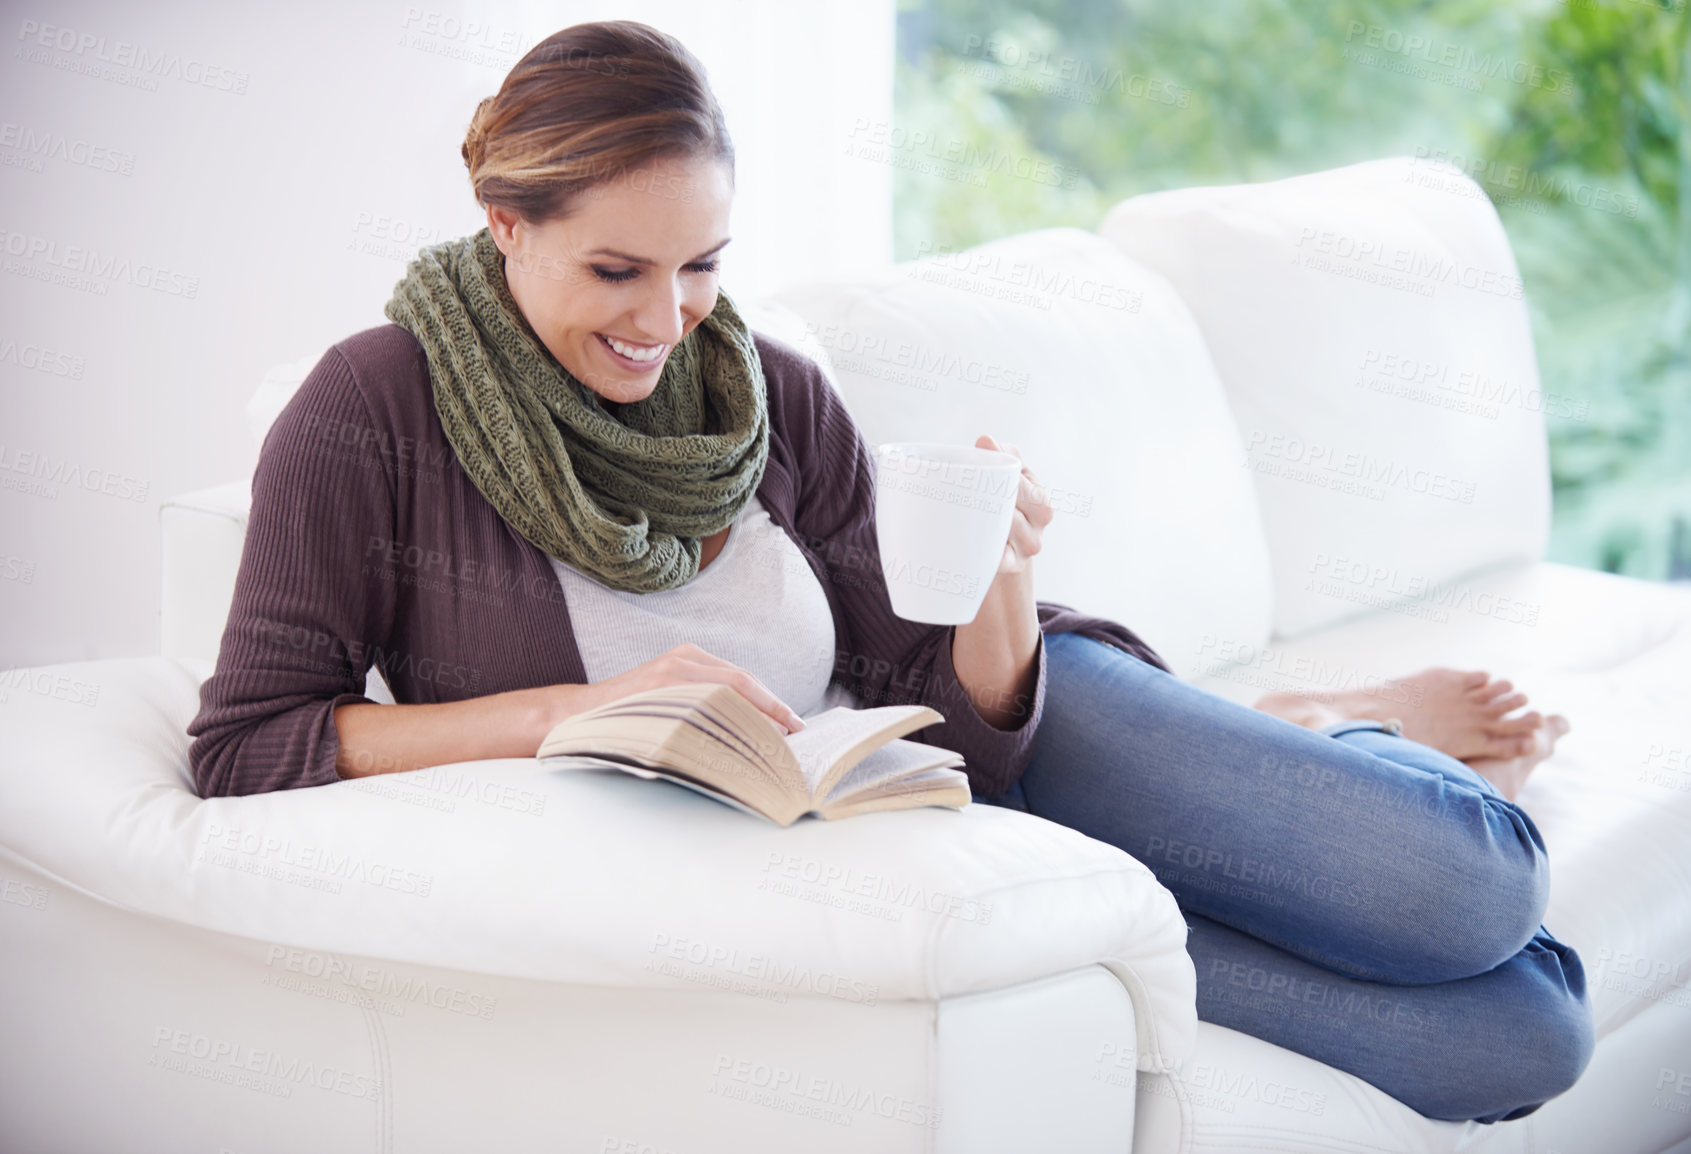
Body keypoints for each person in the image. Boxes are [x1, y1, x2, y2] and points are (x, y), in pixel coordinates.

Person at [186, 20, 1591, 1125]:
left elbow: (947, 688)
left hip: (982, 738)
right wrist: (557, 713)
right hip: (887, 859)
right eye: (617, 269)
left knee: (1475, 888)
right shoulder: (372, 411)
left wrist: (997, 580)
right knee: (1525, 1033)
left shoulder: (767, 389)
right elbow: (248, 742)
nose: (664, 320)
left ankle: (1326, 722)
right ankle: (1291, 734)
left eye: (700, 266)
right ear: (507, 221)